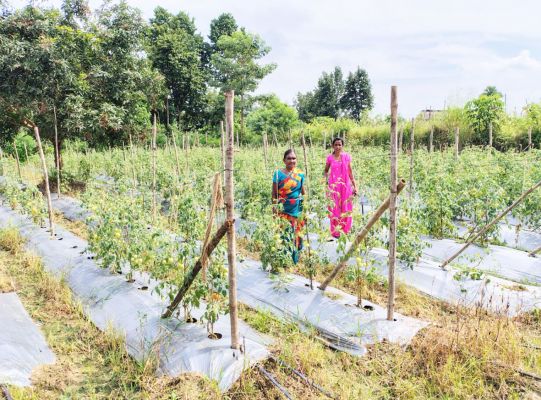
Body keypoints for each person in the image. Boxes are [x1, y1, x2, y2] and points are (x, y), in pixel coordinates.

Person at [272, 149, 305, 264]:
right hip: (283, 209)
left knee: (296, 233)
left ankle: (294, 259)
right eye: (289, 158)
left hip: (296, 208)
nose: (292, 160)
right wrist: (274, 209)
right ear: (284, 160)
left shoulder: (300, 173)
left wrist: (305, 208)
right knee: (284, 233)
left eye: (294, 158)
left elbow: (303, 192)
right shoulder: (278, 174)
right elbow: (274, 194)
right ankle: (284, 259)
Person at [324, 137, 358, 238]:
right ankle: (335, 232)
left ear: (342, 146)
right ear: (332, 146)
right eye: (336, 145)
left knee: (346, 206)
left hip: (345, 186)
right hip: (334, 186)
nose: (338, 147)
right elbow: (325, 171)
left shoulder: (346, 157)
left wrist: (355, 186)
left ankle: (344, 231)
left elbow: (350, 172)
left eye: (340, 144)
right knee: (334, 207)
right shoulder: (330, 158)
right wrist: (326, 182)